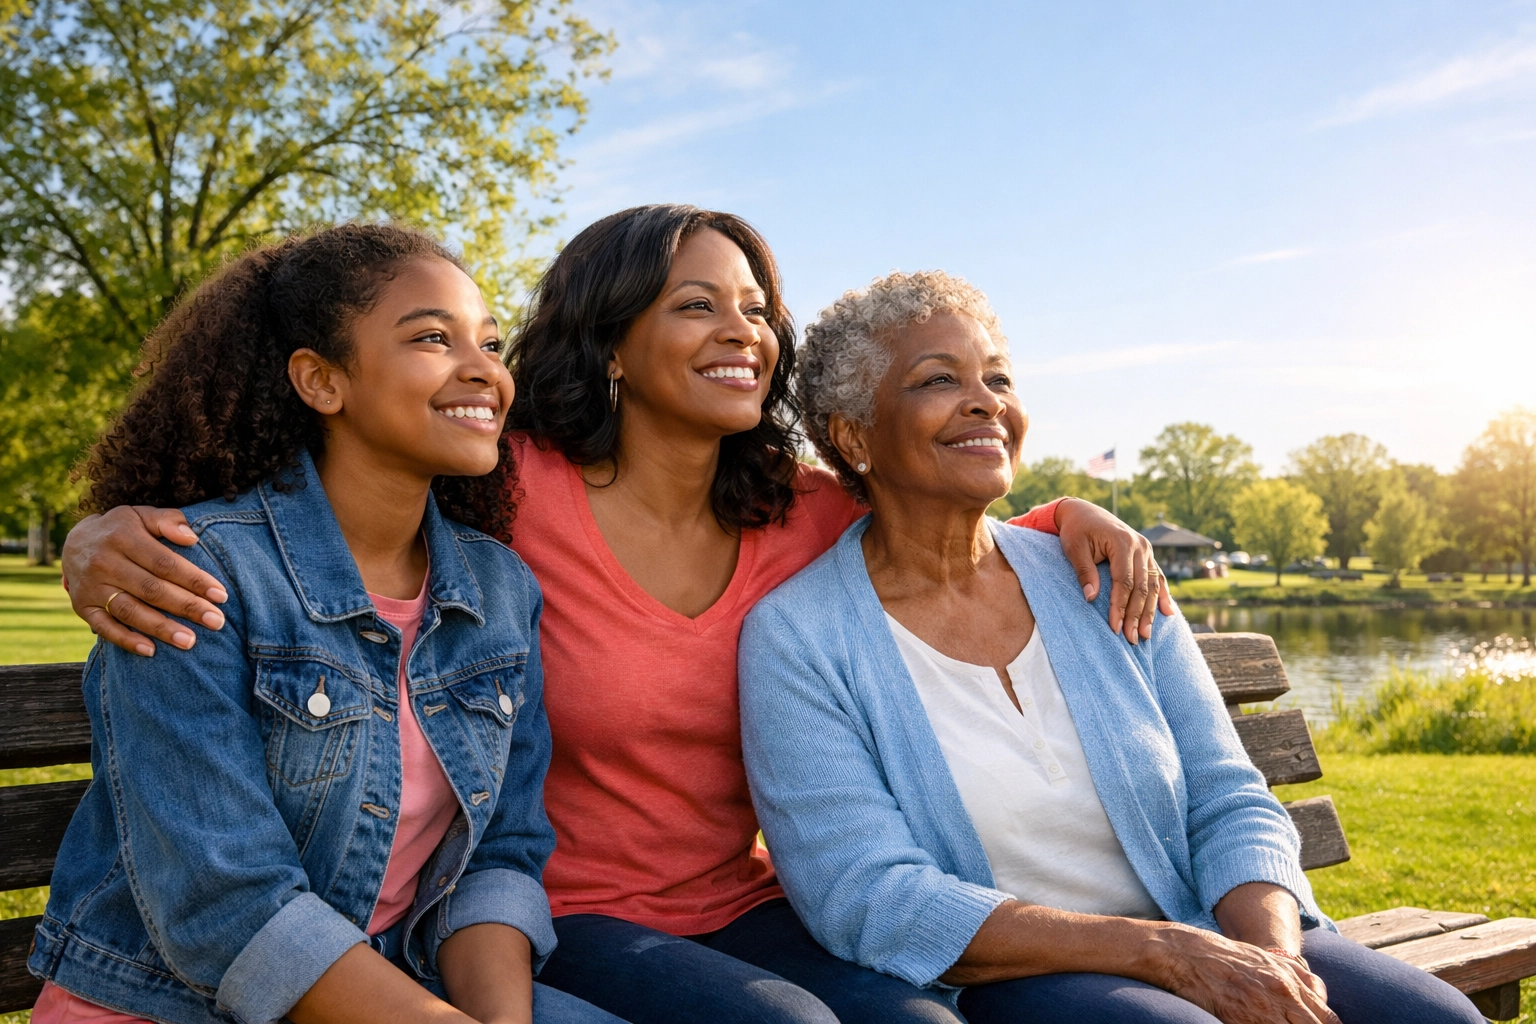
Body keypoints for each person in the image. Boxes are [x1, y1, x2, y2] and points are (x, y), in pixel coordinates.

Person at [60, 206, 1170, 1024]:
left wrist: (1073, 514)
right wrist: (99, 534)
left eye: (756, 309)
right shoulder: (508, 493)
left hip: (735, 901)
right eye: (697, 305)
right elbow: (318, 515)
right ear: (612, 346)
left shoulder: (800, 511)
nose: (744, 331)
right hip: (565, 914)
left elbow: (952, 509)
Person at [738, 269, 1485, 1024]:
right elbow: (871, 897)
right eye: (939, 380)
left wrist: (1271, 962)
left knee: (1438, 1018)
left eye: (998, 377)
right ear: (853, 434)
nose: (987, 401)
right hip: (1017, 977)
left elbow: (1227, 797)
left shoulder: (1102, 574)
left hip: (1209, 931)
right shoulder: (800, 637)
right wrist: (1162, 953)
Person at [31, 225, 622, 1024]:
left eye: (488, 341)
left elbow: (496, 858)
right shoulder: (191, 574)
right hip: (173, 1005)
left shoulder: (498, 587)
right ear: (320, 381)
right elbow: (229, 903)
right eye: (433, 338)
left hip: (398, 990)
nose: (484, 368)